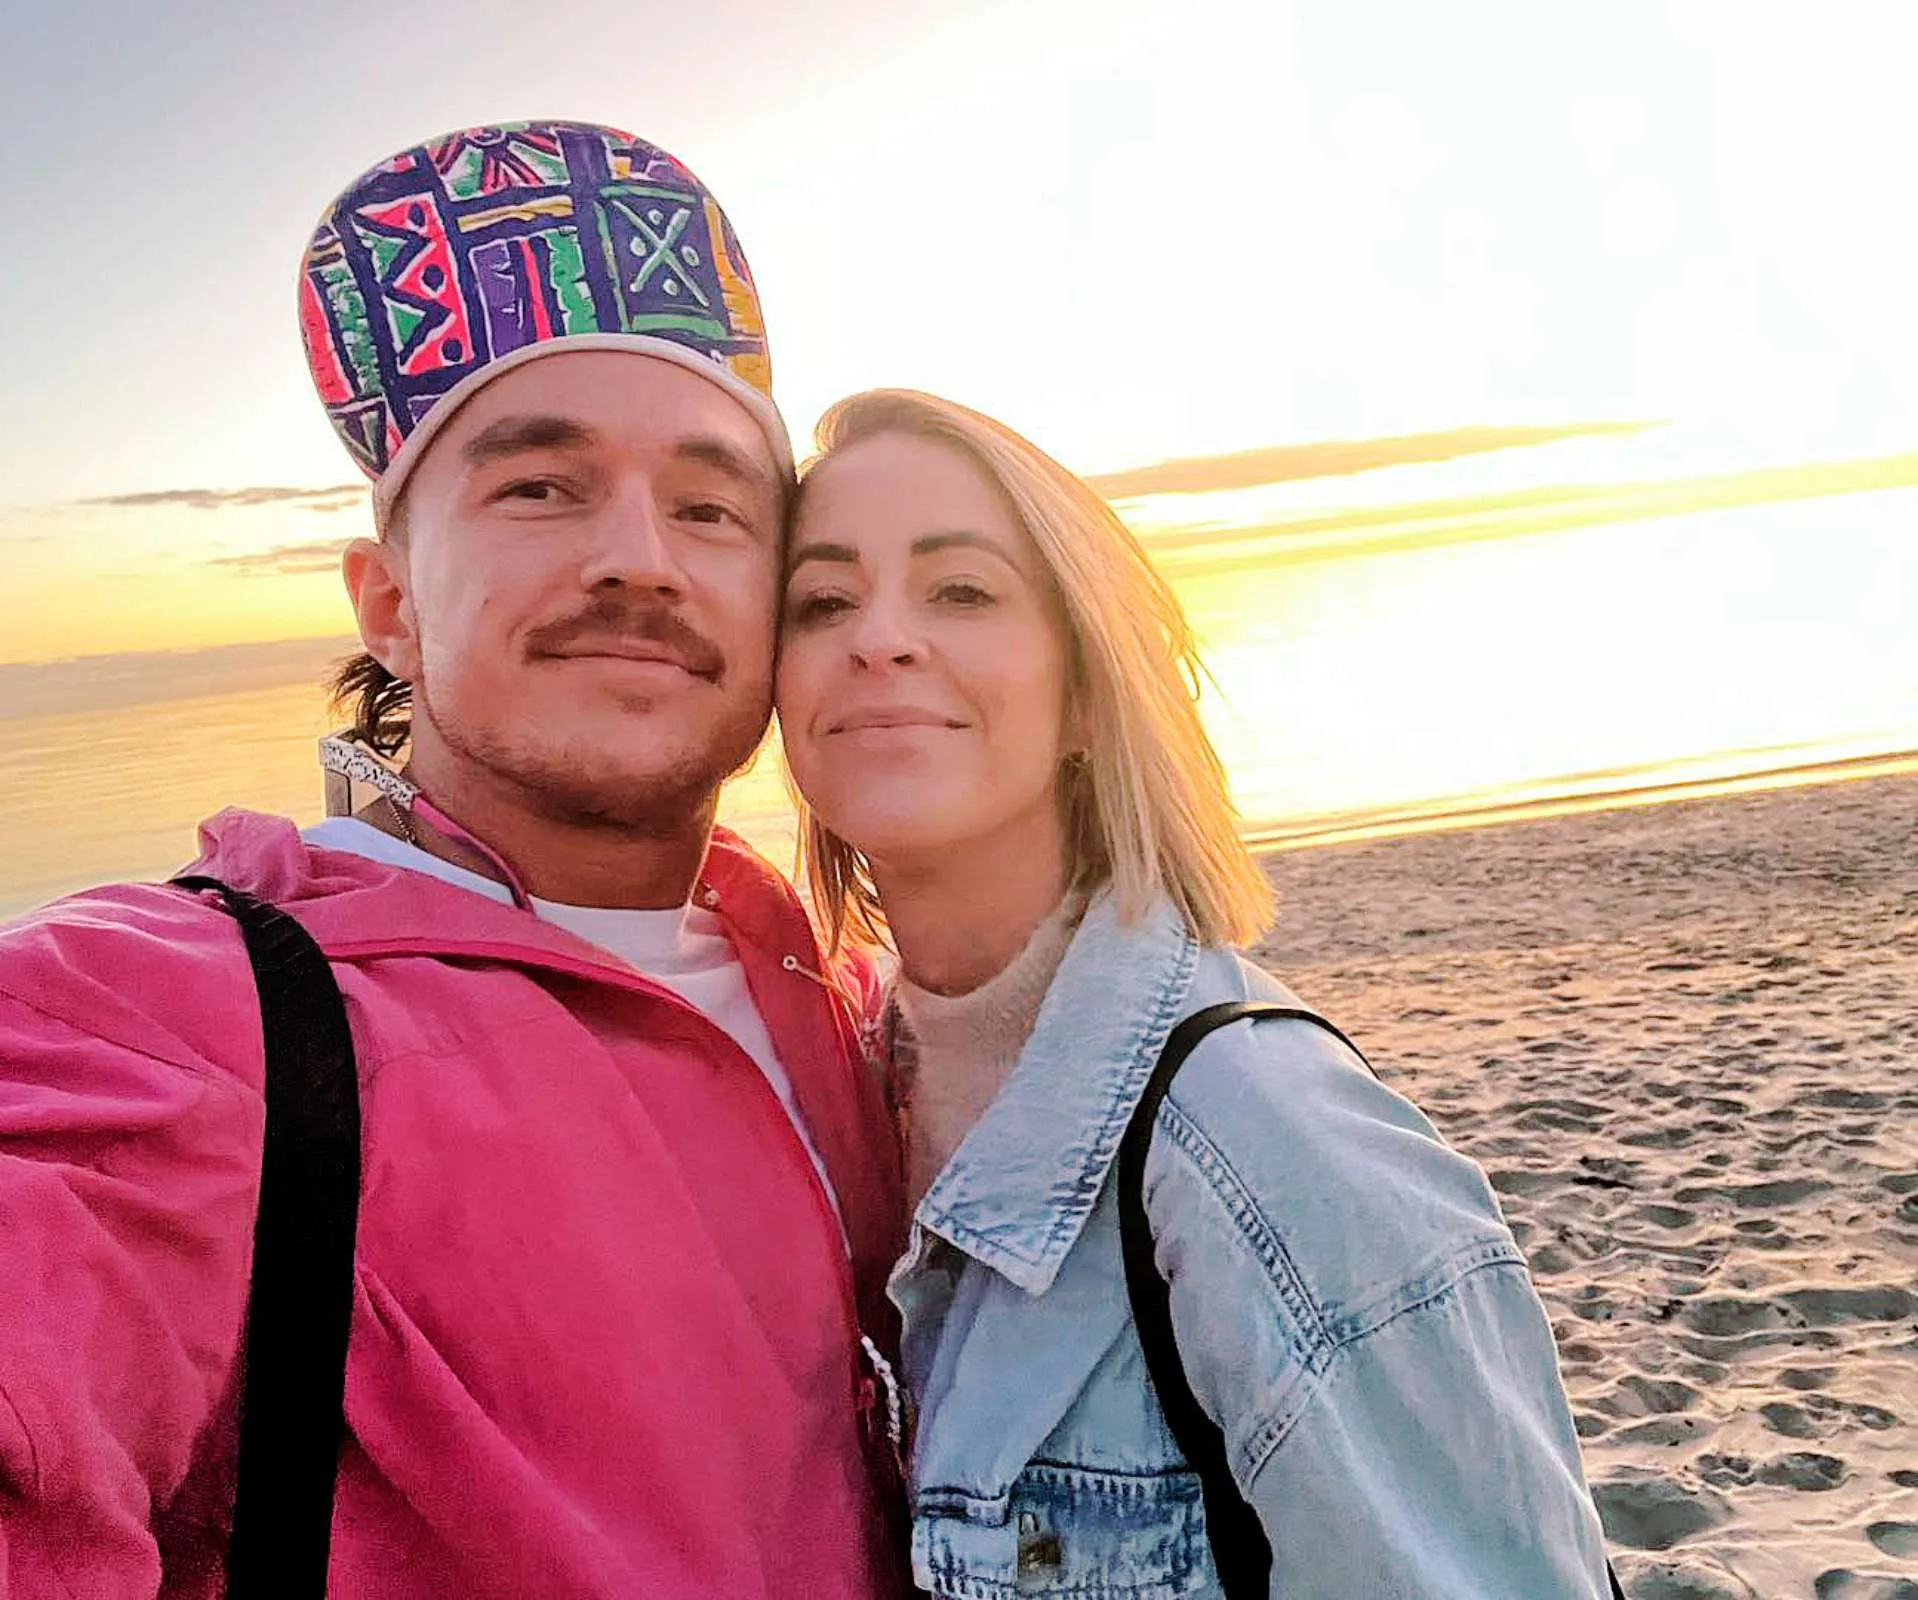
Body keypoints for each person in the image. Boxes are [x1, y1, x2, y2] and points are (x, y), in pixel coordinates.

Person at [0, 122, 908, 1598]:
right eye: (539, 489)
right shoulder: (176, 1017)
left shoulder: (831, 980)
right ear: (389, 605)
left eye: (713, 509)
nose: (642, 558)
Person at [775, 388, 1620, 1597]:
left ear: (1085, 689)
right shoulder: (833, 1094)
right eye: (822, 601)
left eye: (960, 589)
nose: (880, 638)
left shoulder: (1262, 1142)